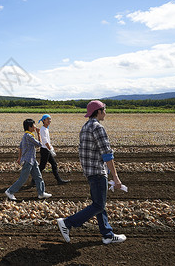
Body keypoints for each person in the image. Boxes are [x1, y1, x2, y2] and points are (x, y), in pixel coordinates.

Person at [56, 100, 127, 245]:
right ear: (99, 111)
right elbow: (107, 154)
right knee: (99, 205)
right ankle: (67, 223)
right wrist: (116, 177)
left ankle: (107, 234)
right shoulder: (97, 128)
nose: (106, 113)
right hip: (97, 172)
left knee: (99, 204)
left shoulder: (85, 127)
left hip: (89, 171)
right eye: (104, 110)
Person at [5, 119, 52, 201]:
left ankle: (41, 193)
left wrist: (19, 158)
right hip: (28, 161)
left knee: (38, 177)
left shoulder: (26, 136)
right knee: (23, 179)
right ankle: (10, 191)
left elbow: (20, 147)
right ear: (29, 127)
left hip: (32, 160)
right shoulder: (28, 136)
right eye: (34, 125)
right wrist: (38, 133)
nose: (35, 127)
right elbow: (40, 144)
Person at [38, 114, 69, 184]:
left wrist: (51, 148)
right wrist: (50, 149)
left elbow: (47, 141)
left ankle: (59, 180)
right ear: (44, 120)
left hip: (46, 150)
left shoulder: (46, 129)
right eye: (48, 119)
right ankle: (34, 179)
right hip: (45, 150)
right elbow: (45, 141)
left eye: (50, 119)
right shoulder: (43, 129)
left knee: (54, 164)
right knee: (42, 166)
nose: (49, 121)